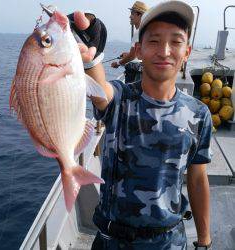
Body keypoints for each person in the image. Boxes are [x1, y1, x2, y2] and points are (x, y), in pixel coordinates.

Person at [72, 1, 213, 249]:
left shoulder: (199, 114)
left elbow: (198, 179)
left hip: (168, 241)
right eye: (154, 41)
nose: (165, 50)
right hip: (111, 240)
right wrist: (90, 59)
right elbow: (101, 92)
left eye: (176, 42)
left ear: (187, 52)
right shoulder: (121, 98)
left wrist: (204, 240)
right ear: (139, 49)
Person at [111, 1, 149, 83]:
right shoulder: (145, 31)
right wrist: (127, 54)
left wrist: (118, 63)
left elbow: (132, 56)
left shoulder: (139, 32)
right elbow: (138, 53)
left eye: (132, 13)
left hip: (135, 72)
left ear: (140, 15)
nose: (130, 16)